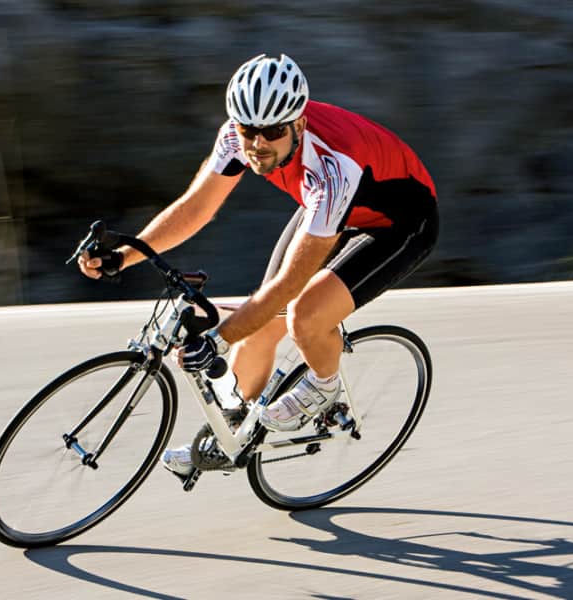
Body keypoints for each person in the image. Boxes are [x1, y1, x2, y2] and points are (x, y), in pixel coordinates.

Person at [78, 53, 439, 476]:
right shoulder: (236, 137)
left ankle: (324, 387)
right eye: (249, 131)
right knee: (261, 324)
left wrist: (217, 339)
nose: (257, 144)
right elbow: (196, 208)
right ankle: (232, 435)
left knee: (303, 315)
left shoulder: (334, 165)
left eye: (271, 132)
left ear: (298, 125)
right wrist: (125, 256)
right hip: (329, 210)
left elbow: (288, 285)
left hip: (400, 224)